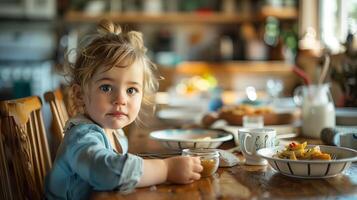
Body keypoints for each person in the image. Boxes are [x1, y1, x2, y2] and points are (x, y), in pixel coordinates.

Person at [44, 19, 203, 200]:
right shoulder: (82, 137)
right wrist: (166, 169)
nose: (120, 99)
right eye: (106, 87)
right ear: (80, 95)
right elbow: (107, 173)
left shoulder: (114, 130)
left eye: (131, 90)